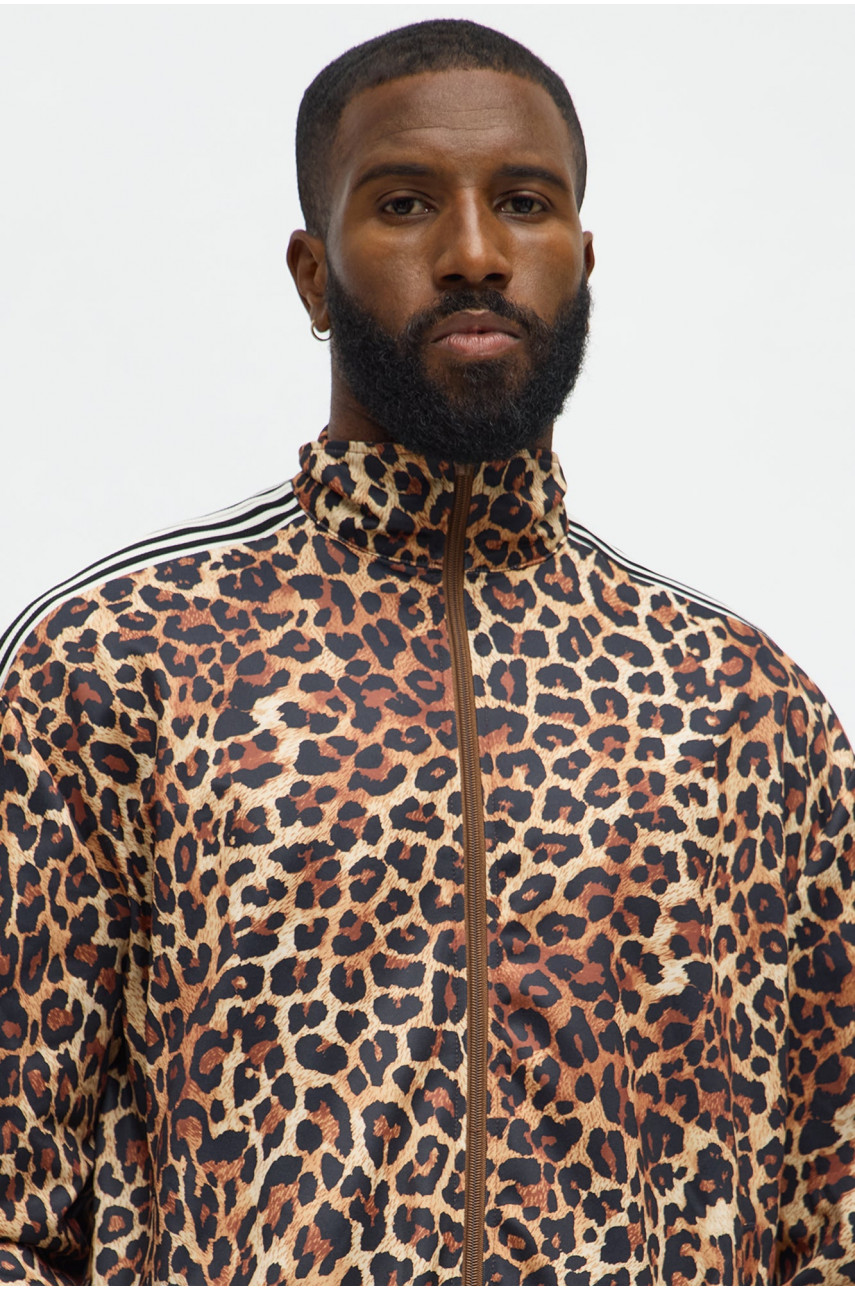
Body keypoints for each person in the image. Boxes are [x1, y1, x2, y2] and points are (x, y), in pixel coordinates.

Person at [0, 16, 853, 1287]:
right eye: (404, 205)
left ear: (583, 258)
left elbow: (831, 1225)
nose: (474, 254)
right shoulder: (114, 667)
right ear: (312, 274)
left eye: (524, 203)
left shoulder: (742, 711)